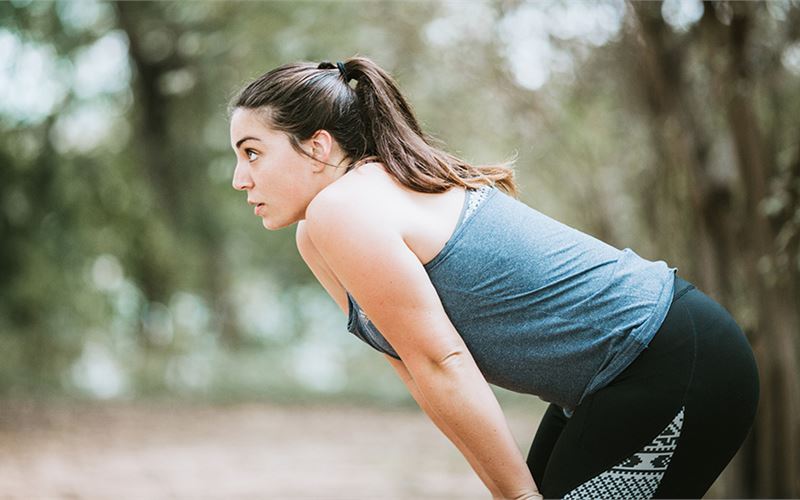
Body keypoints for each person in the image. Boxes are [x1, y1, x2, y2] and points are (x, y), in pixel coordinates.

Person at [228, 56, 760, 499]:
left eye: (253, 152)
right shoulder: (322, 232)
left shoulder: (344, 209)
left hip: (673, 360)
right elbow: (419, 368)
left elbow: (444, 362)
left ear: (318, 146)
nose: (239, 178)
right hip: (614, 379)